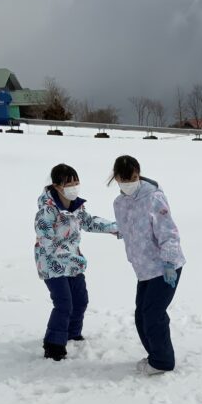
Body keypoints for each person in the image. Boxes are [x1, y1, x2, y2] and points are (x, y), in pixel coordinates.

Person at [110, 155, 186, 375]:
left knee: (153, 314)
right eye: (123, 179)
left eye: (132, 177)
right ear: (115, 178)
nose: (128, 182)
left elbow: (169, 232)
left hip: (165, 267)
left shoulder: (154, 197)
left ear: (138, 173)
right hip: (143, 269)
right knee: (142, 315)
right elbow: (127, 228)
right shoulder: (119, 203)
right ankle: (155, 355)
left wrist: (170, 262)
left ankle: (162, 362)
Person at [34, 163, 118, 361]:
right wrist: (69, 256)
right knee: (64, 303)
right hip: (51, 264)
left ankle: (72, 333)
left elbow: (89, 222)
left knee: (80, 300)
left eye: (76, 182)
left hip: (73, 262)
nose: (74, 186)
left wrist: (116, 227)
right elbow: (46, 241)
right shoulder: (46, 211)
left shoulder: (76, 207)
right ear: (56, 186)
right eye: (69, 183)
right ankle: (53, 345)